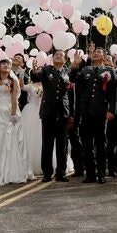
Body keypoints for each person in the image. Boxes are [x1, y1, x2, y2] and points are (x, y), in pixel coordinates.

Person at [70, 45, 117, 184]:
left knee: (101, 144)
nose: (96, 54)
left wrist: (112, 110)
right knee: (86, 145)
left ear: (104, 56)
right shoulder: (85, 70)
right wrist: (75, 65)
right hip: (85, 112)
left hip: (100, 112)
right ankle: (90, 174)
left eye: (99, 52)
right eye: (95, 52)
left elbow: (113, 93)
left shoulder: (109, 70)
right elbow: (73, 80)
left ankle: (101, 174)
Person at [34, 50, 73, 183]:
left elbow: (72, 93)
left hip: (63, 112)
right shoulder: (46, 70)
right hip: (48, 111)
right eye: (56, 54)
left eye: (61, 55)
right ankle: (47, 173)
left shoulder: (68, 71)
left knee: (62, 145)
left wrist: (72, 113)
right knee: (47, 144)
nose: (58, 56)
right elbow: (36, 77)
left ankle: (61, 173)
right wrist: (34, 71)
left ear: (65, 60)